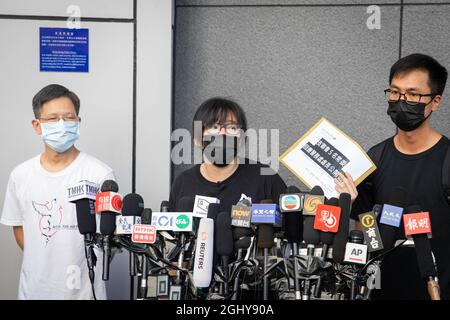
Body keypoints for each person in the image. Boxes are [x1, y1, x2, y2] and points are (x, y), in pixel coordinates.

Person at [338, 53, 450, 299]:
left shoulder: (446, 158)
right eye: (395, 92)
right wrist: (354, 202)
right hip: (382, 292)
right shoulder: (375, 158)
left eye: (412, 94)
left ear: (435, 101)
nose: (401, 101)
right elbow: (366, 234)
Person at [0, 84, 115, 299]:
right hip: (33, 291)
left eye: (69, 117)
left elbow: (109, 237)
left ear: (78, 123)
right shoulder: (20, 175)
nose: (62, 125)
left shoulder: (100, 174)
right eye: (52, 119)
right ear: (37, 125)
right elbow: (19, 229)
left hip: (85, 292)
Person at [169, 97, 286, 214]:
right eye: (214, 127)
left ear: (241, 139)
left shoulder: (265, 178)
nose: (223, 134)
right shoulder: (183, 183)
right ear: (197, 139)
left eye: (232, 128)